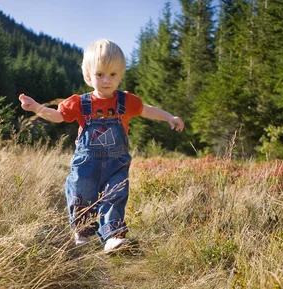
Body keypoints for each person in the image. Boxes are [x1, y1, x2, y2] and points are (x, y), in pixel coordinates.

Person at [19, 39, 184, 252]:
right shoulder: (80, 102)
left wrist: (169, 116)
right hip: (87, 162)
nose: (107, 80)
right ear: (88, 76)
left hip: (116, 162)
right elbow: (58, 116)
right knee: (82, 193)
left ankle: (113, 237)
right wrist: (37, 108)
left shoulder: (126, 101)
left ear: (120, 75)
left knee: (115, 195)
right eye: (100, 74)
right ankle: (82, 233)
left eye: (113, 74)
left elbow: (146, 109)